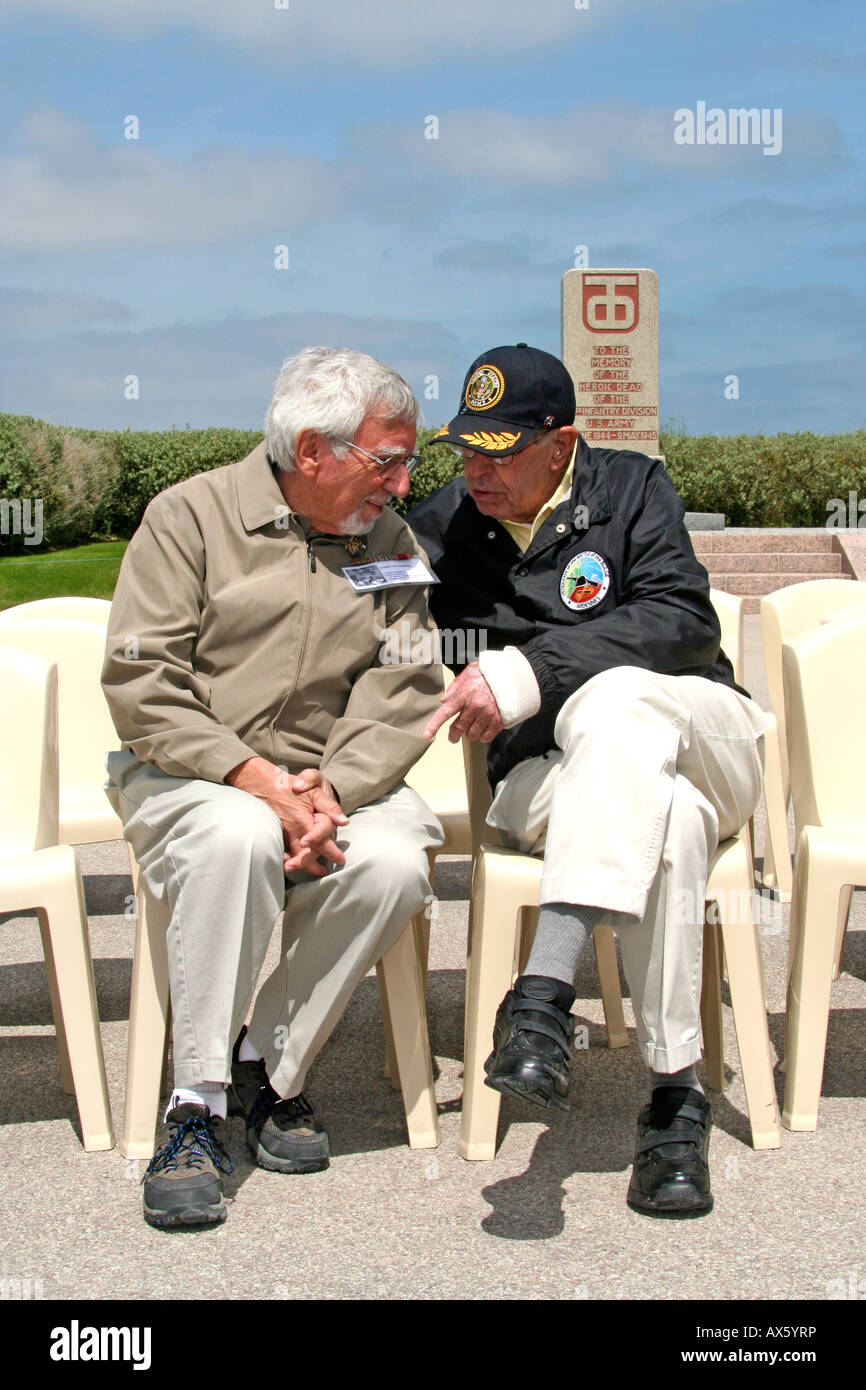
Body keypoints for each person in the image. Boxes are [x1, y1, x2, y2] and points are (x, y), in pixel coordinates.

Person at [408, 343, 768, 1217]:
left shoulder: (634, 488)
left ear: (561, 442)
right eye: (465, 450)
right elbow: (362, 614)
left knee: (618, 704)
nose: (476, 473)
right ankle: (676, 1099)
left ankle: (542, 994)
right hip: (546, 774)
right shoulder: (442, 525)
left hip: (702, 737)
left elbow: (682, 621)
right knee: (668, 823)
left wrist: (530, 672)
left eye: (499, 452)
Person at [102, 347, 444, 1230]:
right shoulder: (188, 518)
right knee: (234, 834)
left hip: (332, 780)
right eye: (387, 460)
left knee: (400, 860)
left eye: (408, 461)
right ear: (312, 450)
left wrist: (329, 789)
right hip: (196, 773)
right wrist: (254, 780)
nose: (403, 486)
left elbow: (404, 681)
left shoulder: (391, 546)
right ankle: (196, 1106)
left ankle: (268, 1063)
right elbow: (144, 684)